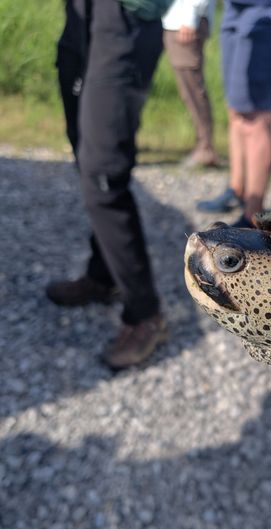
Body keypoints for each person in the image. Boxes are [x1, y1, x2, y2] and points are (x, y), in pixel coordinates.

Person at [47, 0, 171, 370]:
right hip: (83, 15)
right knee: (85, 152)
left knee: (103, 173)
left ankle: (146, 313)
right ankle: (103, 275)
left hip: (126, 16)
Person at [196, 0, 271, 226]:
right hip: (237, 7)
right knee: (236, 108)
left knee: (256, 116)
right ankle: (237, 189)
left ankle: (253, 215)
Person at [163, 0, 218, 167]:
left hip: (183, 18)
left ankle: (205, 148)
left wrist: (189, 15)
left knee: (192, 87)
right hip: (166, 16)